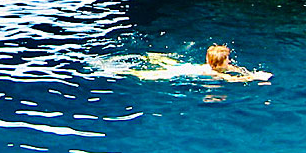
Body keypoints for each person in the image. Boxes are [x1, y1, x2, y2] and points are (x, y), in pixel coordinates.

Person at [103, 44, 271, 83]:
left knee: (171, 63)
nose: (230, 60)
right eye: (227, 58)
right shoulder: (213, 73)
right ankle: (124, 72)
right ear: (219, 64)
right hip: (181, 72)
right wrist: (255, 78)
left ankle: (154, 57)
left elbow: (236, 70)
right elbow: (231, 80)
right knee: (147, 76)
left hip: (187, 67)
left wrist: (248, 73)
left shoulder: (221, 66)